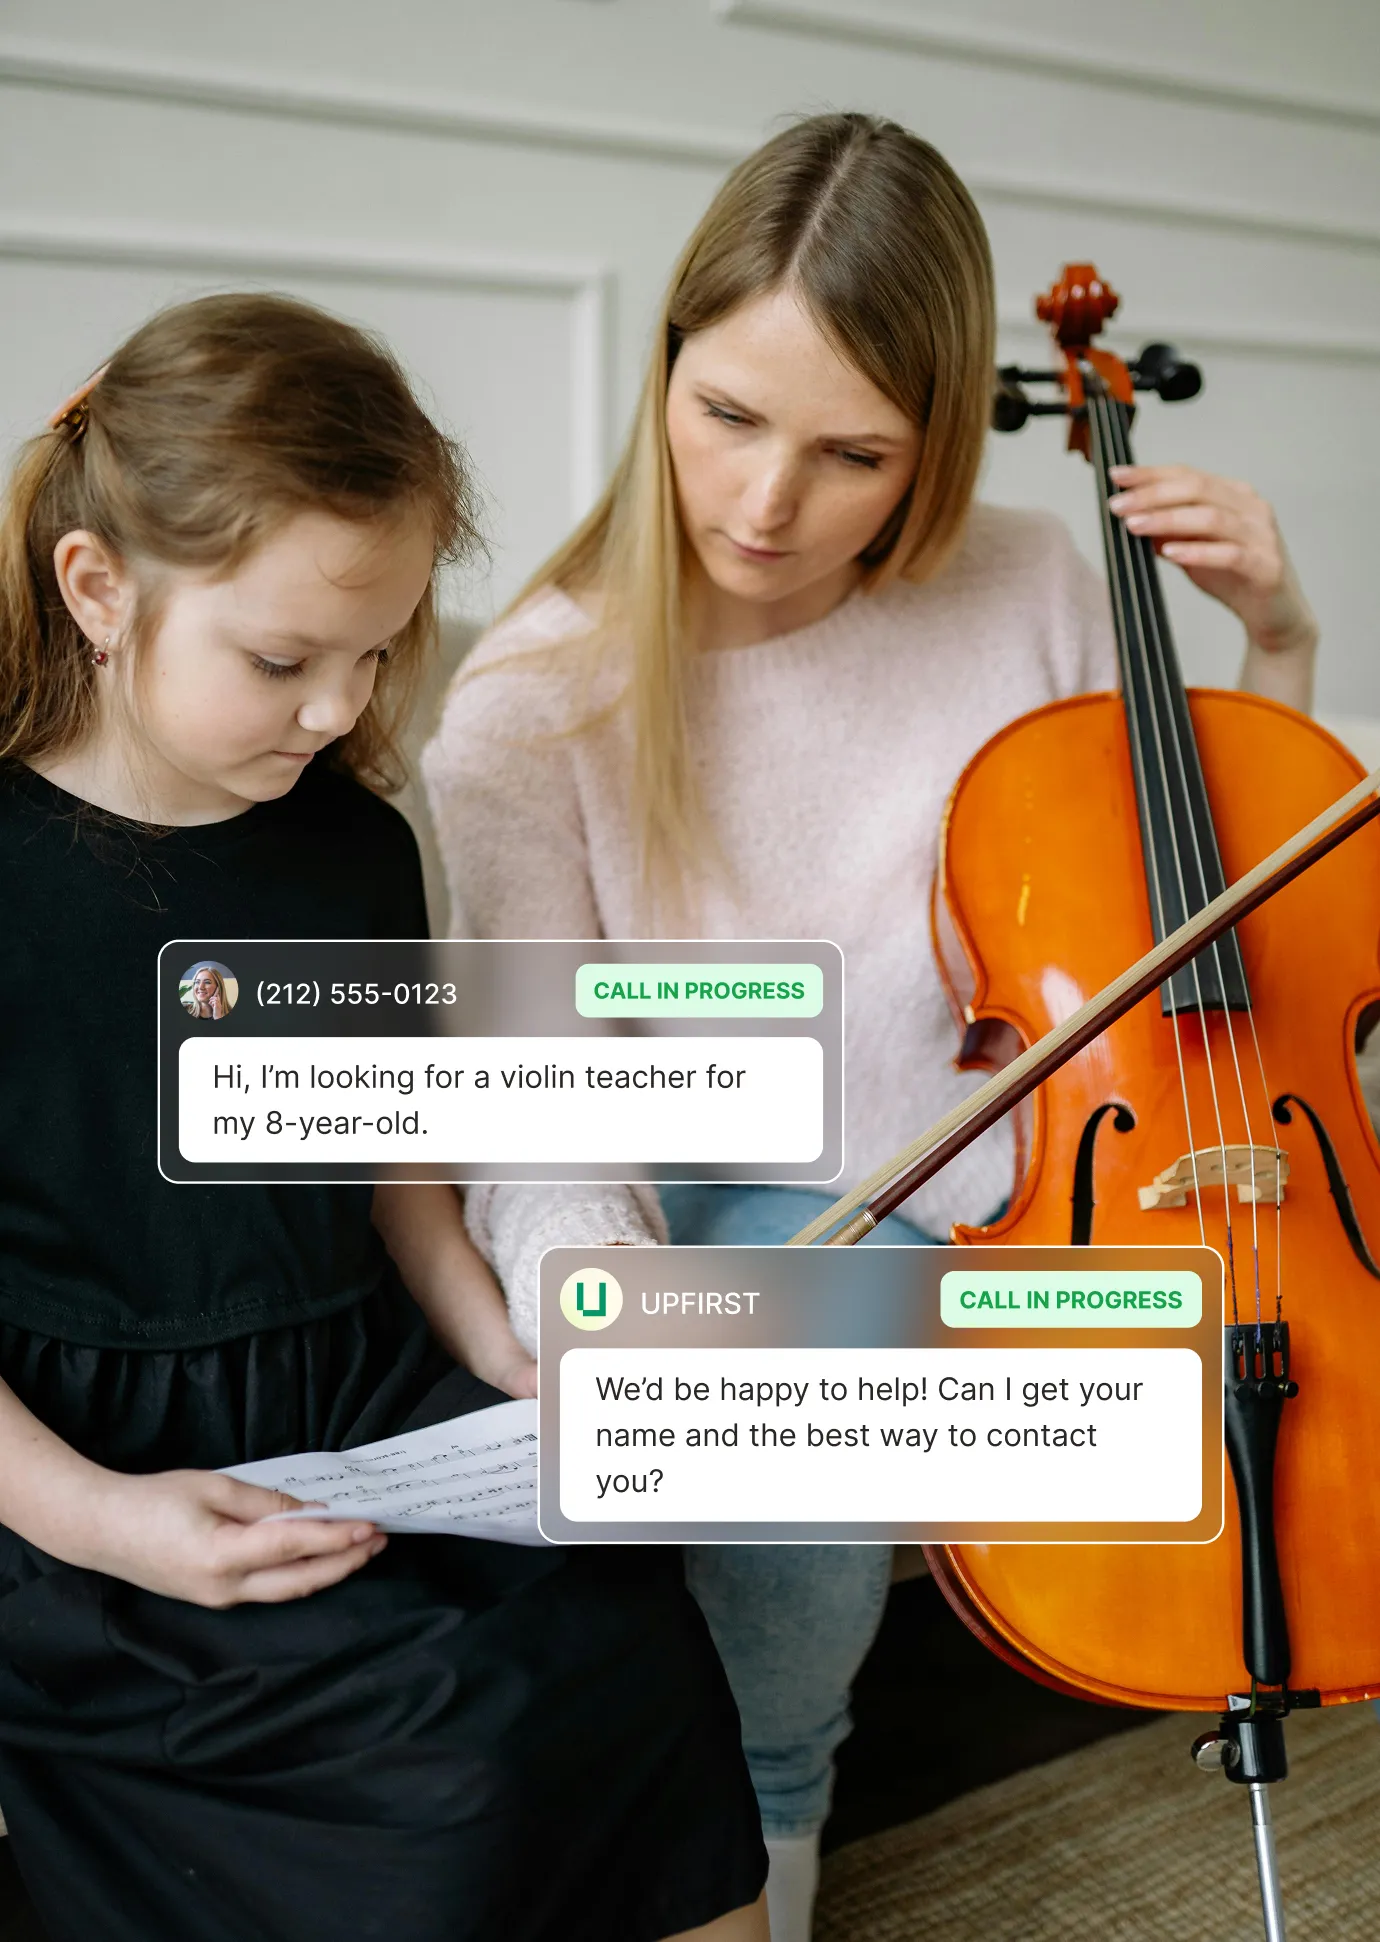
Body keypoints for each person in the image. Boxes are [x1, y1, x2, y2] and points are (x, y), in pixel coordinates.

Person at [422, 113, 1319, 1941]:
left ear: (935, 444)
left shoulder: (1032, 586)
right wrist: (597, 1300)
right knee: (795, 1403)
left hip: (1015, 1172)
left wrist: (1280, 646)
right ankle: (769, 1817)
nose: (764, 507)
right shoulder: (537, 700)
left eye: (852, 457)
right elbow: (536, 1099)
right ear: (665, 364)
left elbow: (1192, 942)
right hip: (731, 1191)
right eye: (728, 418)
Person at [0, 294, 768, 1942]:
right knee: (439, 1757)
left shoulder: (345, 841)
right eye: (284, 660)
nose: (342, 710)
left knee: (625, 1632)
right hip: (74, 1466)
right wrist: (99, 1514)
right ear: (99, 588)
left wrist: (501, 1341)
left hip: (352, 1376)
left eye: (377, 653)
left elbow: (396, 1160)